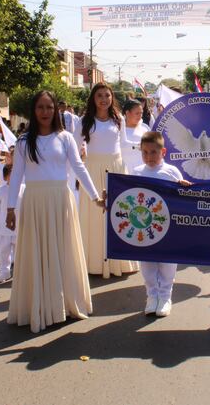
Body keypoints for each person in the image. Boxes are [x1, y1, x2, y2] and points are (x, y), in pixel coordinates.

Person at [6, 90, 104, 333]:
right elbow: (16, 175)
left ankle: (65, 303)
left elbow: (79, 168)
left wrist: (95, 196)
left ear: (56, 110)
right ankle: (38, 306)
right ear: (33, 110)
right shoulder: (22, 142)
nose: (45, 112)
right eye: (40, 107)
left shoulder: (66, 138)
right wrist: (10, 208)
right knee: (37, 253)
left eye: (49, 107)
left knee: (63, 251)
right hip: (34, 203)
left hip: (61, 200)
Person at [78, 82, 138, 278]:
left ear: (112, 98)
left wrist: (144, 143)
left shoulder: (118, 119)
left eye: (107, 95)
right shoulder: (84, 121)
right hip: (92, 171)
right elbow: (73, 146)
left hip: (116, 169)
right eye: (99, 96)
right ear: (93, 99)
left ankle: (119, 262)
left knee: (118, 215)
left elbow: (124, 143)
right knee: (95, 217)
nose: (104, 99)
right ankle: (93, 263)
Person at [132, 132, 192, 317]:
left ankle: (165, 296)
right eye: (145, 152)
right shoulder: (136, 172)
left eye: (153, 152)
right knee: (147, 262)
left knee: (167, 262)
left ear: (163, 151)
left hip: (167, 227)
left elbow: (182, 197)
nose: (149, 157)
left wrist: (184, 187)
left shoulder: (172, 172)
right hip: (144, 226)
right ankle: (152, 296)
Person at [0, 164, 23, 284]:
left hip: (20, 227)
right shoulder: (1, 191)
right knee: (3, 251)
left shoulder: (25, 189)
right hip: (3, 228)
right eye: (12, 174)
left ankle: (19, 272)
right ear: (6, 177)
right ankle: (4, 271)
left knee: (20, 252)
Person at [121, 99, 151, 175]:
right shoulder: (118, 130)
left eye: (141, 113)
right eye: (137, 113)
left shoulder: (145, 128)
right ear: (127, 113)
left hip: (143, 173)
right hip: (123, 173)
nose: (140, 116)